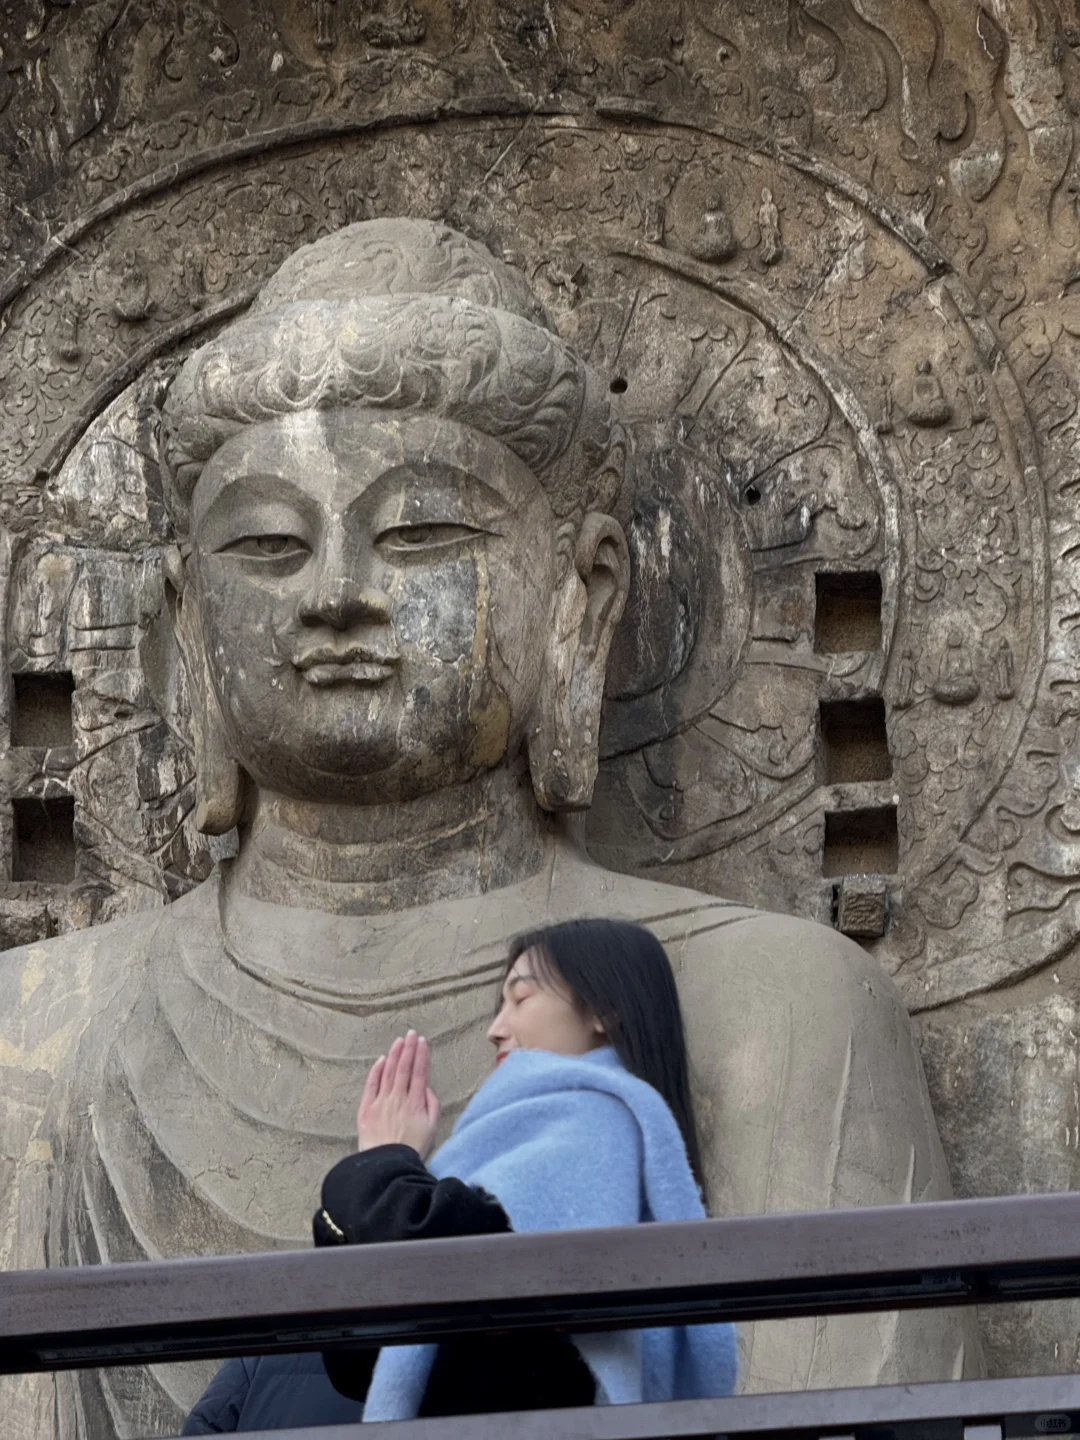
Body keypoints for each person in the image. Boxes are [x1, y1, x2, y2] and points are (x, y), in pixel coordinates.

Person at [183, 920, 737, 1431]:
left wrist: (383, 1161)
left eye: (521, 997)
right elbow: (364, 1356)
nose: (496, 1029)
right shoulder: (582, 1138)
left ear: (605, 1011)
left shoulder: (596, 1122)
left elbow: (444, 1257)